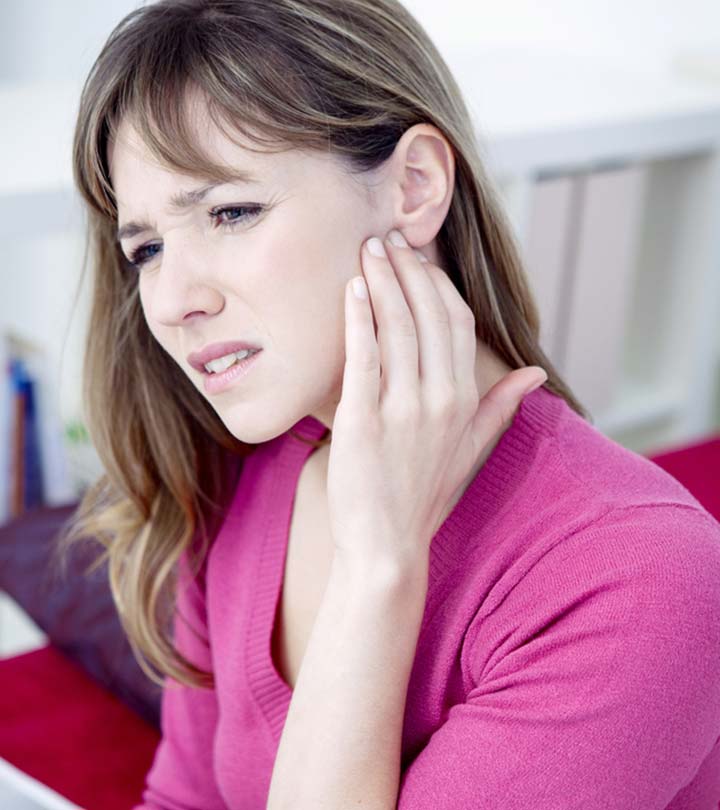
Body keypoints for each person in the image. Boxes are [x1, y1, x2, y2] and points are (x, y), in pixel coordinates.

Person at [56, 0, 720, 807]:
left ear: (414, 186)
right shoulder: (238, 476)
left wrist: (378, 565)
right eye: (148, 249)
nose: (171, 302)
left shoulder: (641, 582)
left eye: (231, 212)